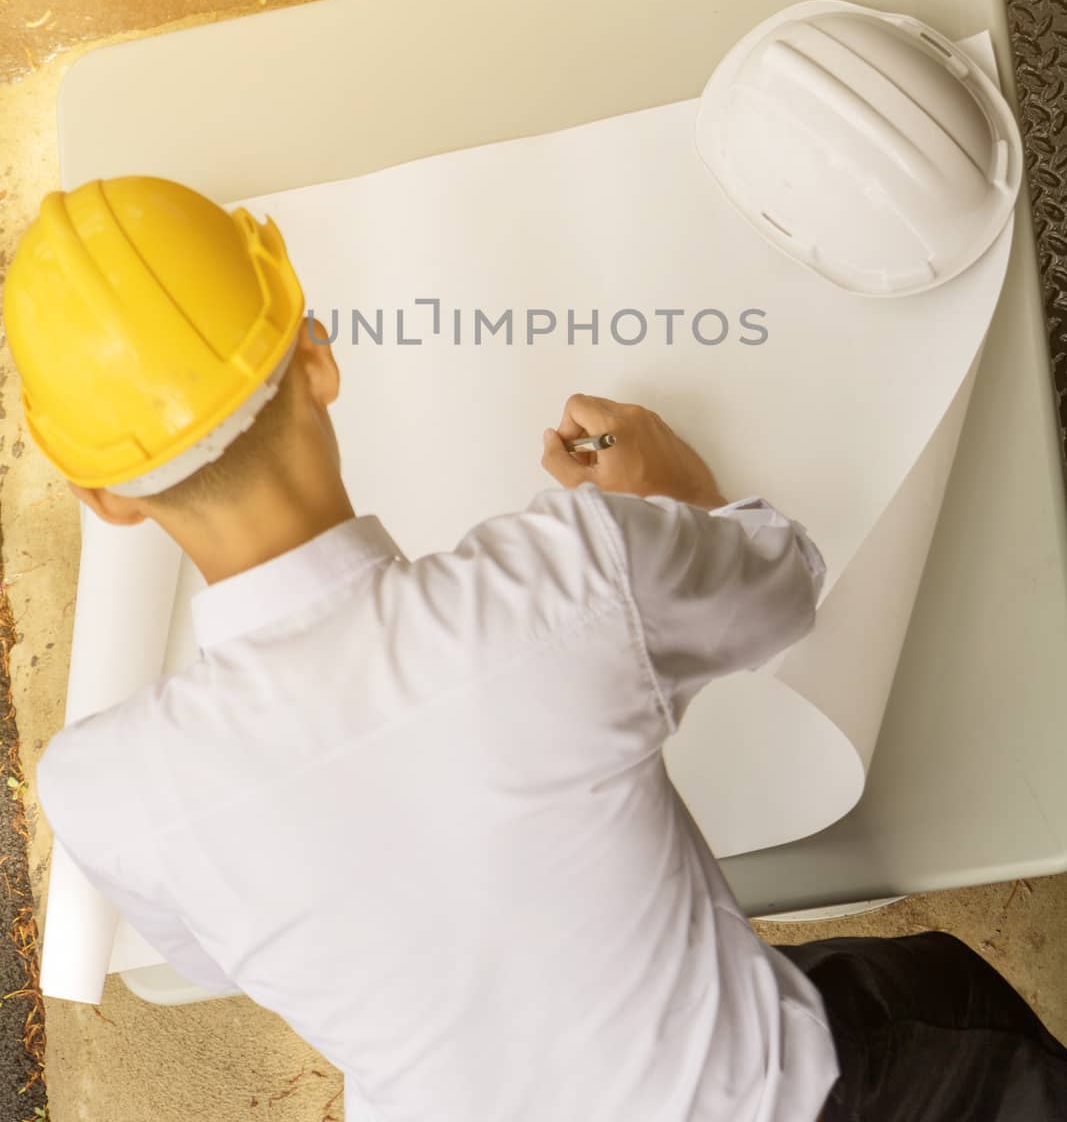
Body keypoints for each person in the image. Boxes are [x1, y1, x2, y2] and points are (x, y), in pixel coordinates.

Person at [5, 177, 1065, 1122]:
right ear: (317, 356)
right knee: (924, 995)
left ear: (104, 498)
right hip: (837, 1097)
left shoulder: (99, 790)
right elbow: (780, 581)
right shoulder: (568, 575)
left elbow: (217, 947)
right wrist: (677, 501)